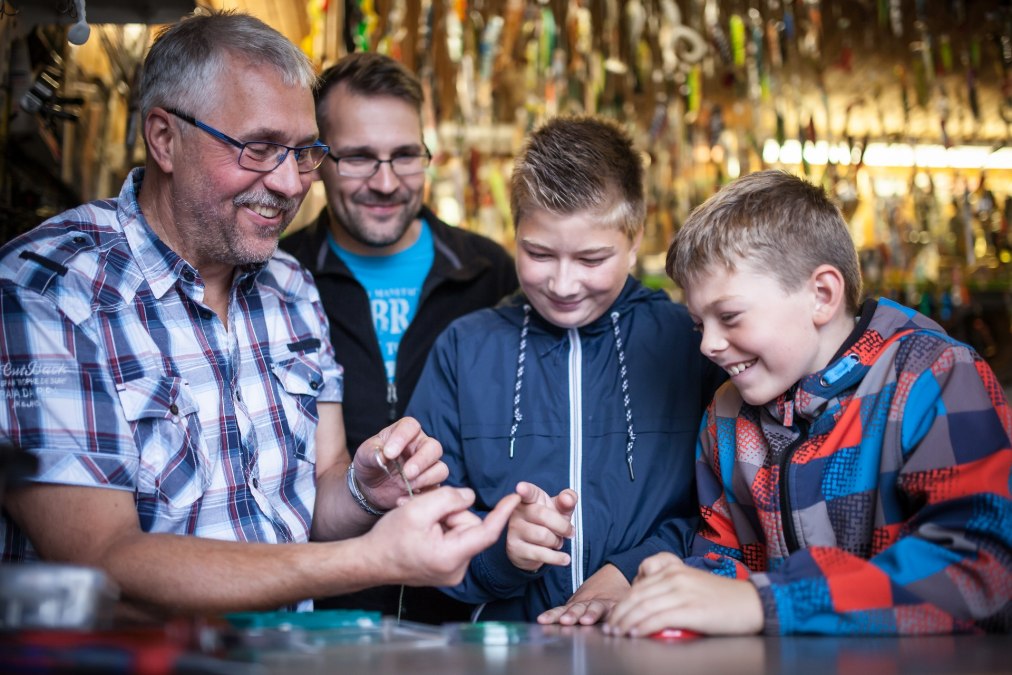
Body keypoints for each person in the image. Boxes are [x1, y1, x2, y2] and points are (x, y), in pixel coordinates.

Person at [0, 10, 518, 617]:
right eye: (259, 148)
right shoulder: (50, 289)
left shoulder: (291, 286)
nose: (288, 183)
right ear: (164, 138)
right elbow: (102, 558)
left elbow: (323, 492)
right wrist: (374, 559)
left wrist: (363, 491)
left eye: (303, 153)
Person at [606, 170, 1012, 637]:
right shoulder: (726, 415)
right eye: (700, 324)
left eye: (729, 316)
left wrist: (766, 602)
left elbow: (982, 567)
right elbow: (728, 554)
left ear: (821, 295)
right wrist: (682, 586)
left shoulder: (934, 376)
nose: (708, 345)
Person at [406, 115, 725, 624]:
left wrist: (630, 571)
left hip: (651, 638)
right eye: (537, 253)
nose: (563, 283)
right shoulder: (465, 349)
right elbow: (425, 521)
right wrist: (502, 553)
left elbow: (729, 508)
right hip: (507, 651)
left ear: (635, 238)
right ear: (515, 234)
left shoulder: (691, 342)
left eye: (591, 258)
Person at [281, 51, 518, 623]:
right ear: (319, 160)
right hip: (325, 607)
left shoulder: (492, 273)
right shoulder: (278, 280)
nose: (386, 182)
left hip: (469, 604)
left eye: (406, 155)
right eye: (359, 157)